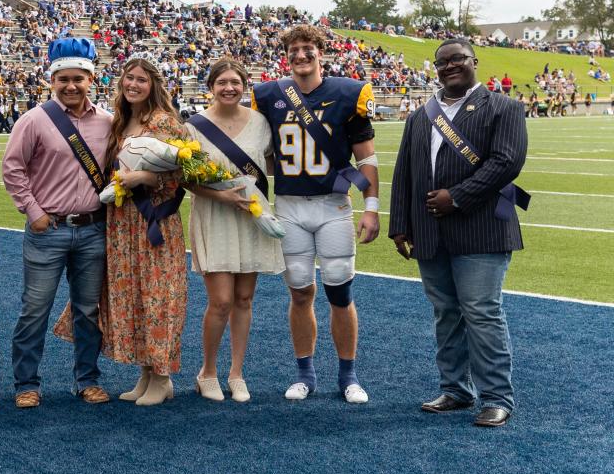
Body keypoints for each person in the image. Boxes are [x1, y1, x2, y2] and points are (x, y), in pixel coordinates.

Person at [389, 38, 528, 428]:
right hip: (430, 231)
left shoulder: (504, 107)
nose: (449, 66)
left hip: (482, 227)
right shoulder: (420, 115)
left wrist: (458, 197)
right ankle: (455, 389)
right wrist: (400, 223)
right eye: (442, 62)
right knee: (445, 313)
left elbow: (506, 162)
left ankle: (497, 397)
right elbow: (406, 172)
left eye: (457, 59)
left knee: (482, 313)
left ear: (474, 62)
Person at [251, 24, 380, 404]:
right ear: (286, 55)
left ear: (320, 52)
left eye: (308, 48)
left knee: (339, 290)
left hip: (333, 206)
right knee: (300, 291)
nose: (301, 55)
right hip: (289, 206)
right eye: (294, 50)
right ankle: (305, 373)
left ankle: (348, 375)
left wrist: (371, 208)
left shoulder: (348, 93)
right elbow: (260, 155)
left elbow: (367, 158)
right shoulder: (268, 95)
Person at [57, 56, 189, 406]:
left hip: (153, 220)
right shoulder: (120, 122)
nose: (133, 85)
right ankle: (146, 372)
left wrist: (144, 178)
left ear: (154, 85)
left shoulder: (165, 122)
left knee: (159, 295)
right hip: (120, 223)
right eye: (129, 78)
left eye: (141, 80)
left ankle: (162, 376)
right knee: (135, 295)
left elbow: (183, 174)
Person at [3, 38, 112, 408]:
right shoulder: (34, 120)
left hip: (94, 229)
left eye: (78, 79)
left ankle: (87, 380)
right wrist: (33, 212)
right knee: (35, 309)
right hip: (47, 230)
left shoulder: (108, 123)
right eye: (63, 79)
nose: (71, 86)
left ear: (90, 80)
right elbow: (13, 169)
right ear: (53, 80)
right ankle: (26, 384)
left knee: (87, 310)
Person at [184, 60, 284, 402]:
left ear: (245, 85)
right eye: (222, 82)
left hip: (251, 216)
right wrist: (220, 195)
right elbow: (186, 180)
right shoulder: (194, 126)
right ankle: (207, 372)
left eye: (236, 82)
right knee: (221, 300)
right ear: (211, 86)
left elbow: (271, 164)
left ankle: (237, 373)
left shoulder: (260, 123)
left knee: (244, 299)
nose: (229, 88)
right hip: (214, 215)